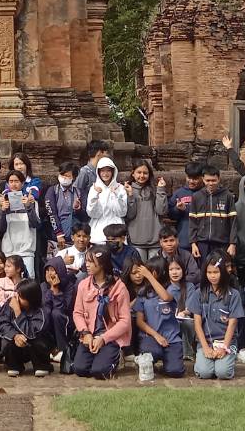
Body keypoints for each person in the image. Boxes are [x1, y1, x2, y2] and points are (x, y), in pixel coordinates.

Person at [72, 249, 130, 379]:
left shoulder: (119, 287)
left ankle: (117, 357)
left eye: (91, 261)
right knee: (80, 369)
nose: (87, 264)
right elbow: (77, 313)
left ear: (102, 264)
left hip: (110, 336)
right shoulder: (83, 285)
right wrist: (85, 333)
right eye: (86, 261)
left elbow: (125, 321)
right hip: (89, 335)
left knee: (100, 372)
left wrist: (104, 338)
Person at [189, 254, 243, 380]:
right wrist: (206, 348)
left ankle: (227, 361)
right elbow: (197, 323)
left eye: (216, 272)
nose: (212, 276)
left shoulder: (233, 294)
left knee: (223, 373)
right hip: (206, 342)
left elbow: (232, 324)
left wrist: (224, 347)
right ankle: (204, 361)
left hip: (226, 342)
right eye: (209, 272)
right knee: (205, 373)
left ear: (223, 272)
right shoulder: (199, 293)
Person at [135, 259, 187, 377]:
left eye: (152, 271)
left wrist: (149, 276)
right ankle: (144, 359)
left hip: (171, 337)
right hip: (151, 337)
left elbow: (165, 297)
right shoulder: (143, 292)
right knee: (152, 352)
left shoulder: (172, 287)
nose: (149, 273)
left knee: (176, 372)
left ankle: (168, 363)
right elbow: (139, 321)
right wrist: (156, 336)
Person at [0, 278, 51, 377]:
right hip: (17, 344)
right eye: (17, 294)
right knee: (7, 341)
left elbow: (32, 333)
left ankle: (42, 365)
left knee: (38, 341)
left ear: (30, 298)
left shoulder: (41, 311)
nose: (16, 298)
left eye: (20, 296)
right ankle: (14, 365)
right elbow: (2, 324)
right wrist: (15, 335)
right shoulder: (10, 303)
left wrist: (18, 312)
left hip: (34, 346)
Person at [0, 171, 41, 281]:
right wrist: (3, 211)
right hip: (9, 250)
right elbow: (1, 229)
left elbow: (35, 224)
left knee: (28, 281)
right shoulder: (3, 201)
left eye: (16, 181)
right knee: (8, 282)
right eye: (10, 181)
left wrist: (28, 207)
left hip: (27, 250)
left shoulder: (31, 201)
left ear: (22, 183)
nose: (13, 184)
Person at [85, 158, 129, 251]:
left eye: (108, 170)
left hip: (116, 231)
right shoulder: (94, 188)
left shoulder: (120, 188)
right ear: (98, 172)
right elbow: (92, 213)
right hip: (98, 233)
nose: (105, 174)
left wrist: (117, 195)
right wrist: (95, 196)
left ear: (113, 172)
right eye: (102, 171)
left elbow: (122, 213)